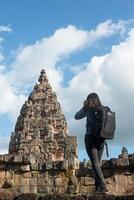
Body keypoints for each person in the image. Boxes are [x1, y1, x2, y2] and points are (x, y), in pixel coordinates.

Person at [74, 92, 108, 194]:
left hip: (91, 139)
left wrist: (84, 106)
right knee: (97, 163)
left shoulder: (88, 109)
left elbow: (76, 116)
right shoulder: (104, 108)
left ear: (88, 100)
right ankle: (98, 188)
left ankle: (103, 186)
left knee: (95, 163)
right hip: (102, 139)